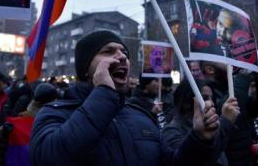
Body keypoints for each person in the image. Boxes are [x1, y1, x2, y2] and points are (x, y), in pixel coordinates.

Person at [30, 30, 220, 166]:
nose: (121, 57)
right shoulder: (54, 114)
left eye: (124, 53)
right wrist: (103, 92)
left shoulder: (141, 116)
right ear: (85, 68)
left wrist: (199, 139)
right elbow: (51, 157)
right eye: (108, 51)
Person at [200, 61, 258, 165]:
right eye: (224, 61)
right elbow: (225, 106)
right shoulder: (204, 92)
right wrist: (243, 76)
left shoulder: (230, 89)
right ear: (210, 69)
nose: (230, 63)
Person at [163, 79, 240, 165]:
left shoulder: (213, 125)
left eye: (212, 98)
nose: (211, 103)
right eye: (204, 98)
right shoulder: (171, 131)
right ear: (186, 103)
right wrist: (225, 121)